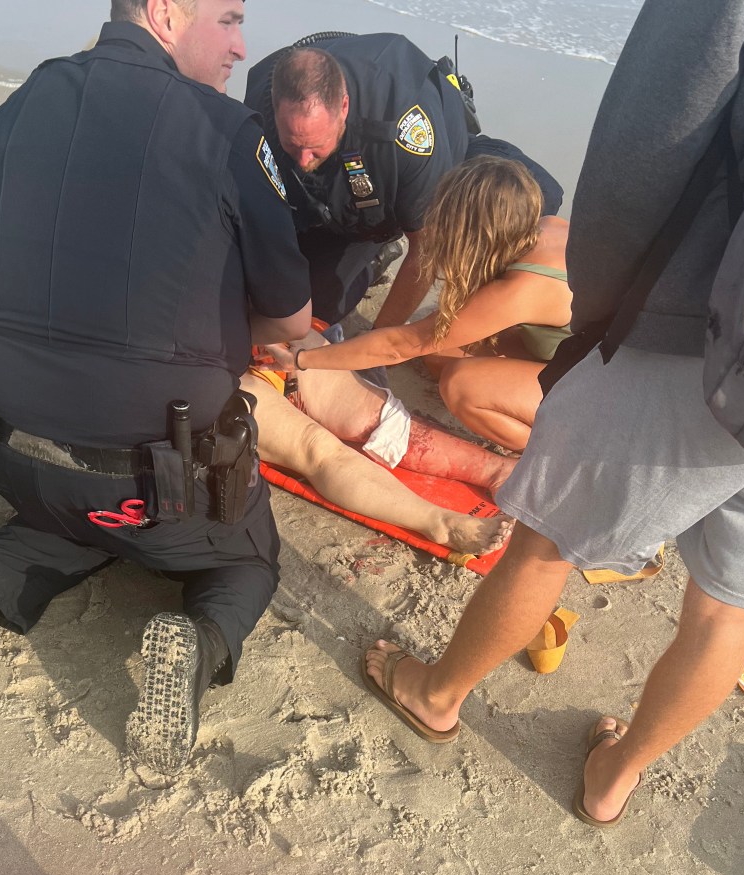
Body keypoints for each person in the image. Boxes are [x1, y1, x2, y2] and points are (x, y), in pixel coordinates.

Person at [360, 0, 744, 826]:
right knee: (726, 610)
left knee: (547, 538)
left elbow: (653, 131)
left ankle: (437, 691)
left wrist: (607, 307)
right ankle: (615, 776)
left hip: (712, 326)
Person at [0, 0, 312, 776]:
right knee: (246, 558)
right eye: (227, 19)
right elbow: (292, 319)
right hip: (156, 477)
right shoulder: (225, 132)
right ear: (163, 12)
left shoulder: (21, 107)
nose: (241, 46)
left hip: (12, 451)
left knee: (77, 521)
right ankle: (198, 644)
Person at [243, 33, 563, 329]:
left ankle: (381, 249)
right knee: (277, 303)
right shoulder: (259, 104)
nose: (302, 159)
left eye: (314, 146)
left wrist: (376, 348)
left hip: (417, 177)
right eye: (293, 144)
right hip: (328, 200)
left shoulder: (407, 135)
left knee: (532, 197)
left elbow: (425, 252)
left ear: (343, 107)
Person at [267, 155, 572, 451]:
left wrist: (303, 359)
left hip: (595, 398)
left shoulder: (521, 290)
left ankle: (554, 452)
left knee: (461, 386)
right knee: (442, 351)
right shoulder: (546, 226)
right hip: (578, 358)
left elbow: (399, 345)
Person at [243, 328, 515, 555]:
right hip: (216, 374)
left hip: (256, 341)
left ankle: (495, 470)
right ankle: (441, 523)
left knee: (375, 417)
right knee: (317, 447)